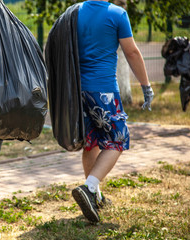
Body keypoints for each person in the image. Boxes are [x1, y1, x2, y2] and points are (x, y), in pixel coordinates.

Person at [69, 0, 154, 223]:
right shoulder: (117, 14)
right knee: (118, 140)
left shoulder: (74, 11)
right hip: (103, 89)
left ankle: (94, 197)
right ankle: (89, 188)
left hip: (78, 90)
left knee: (92, 142)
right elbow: (132, 53)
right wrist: (146, 86)